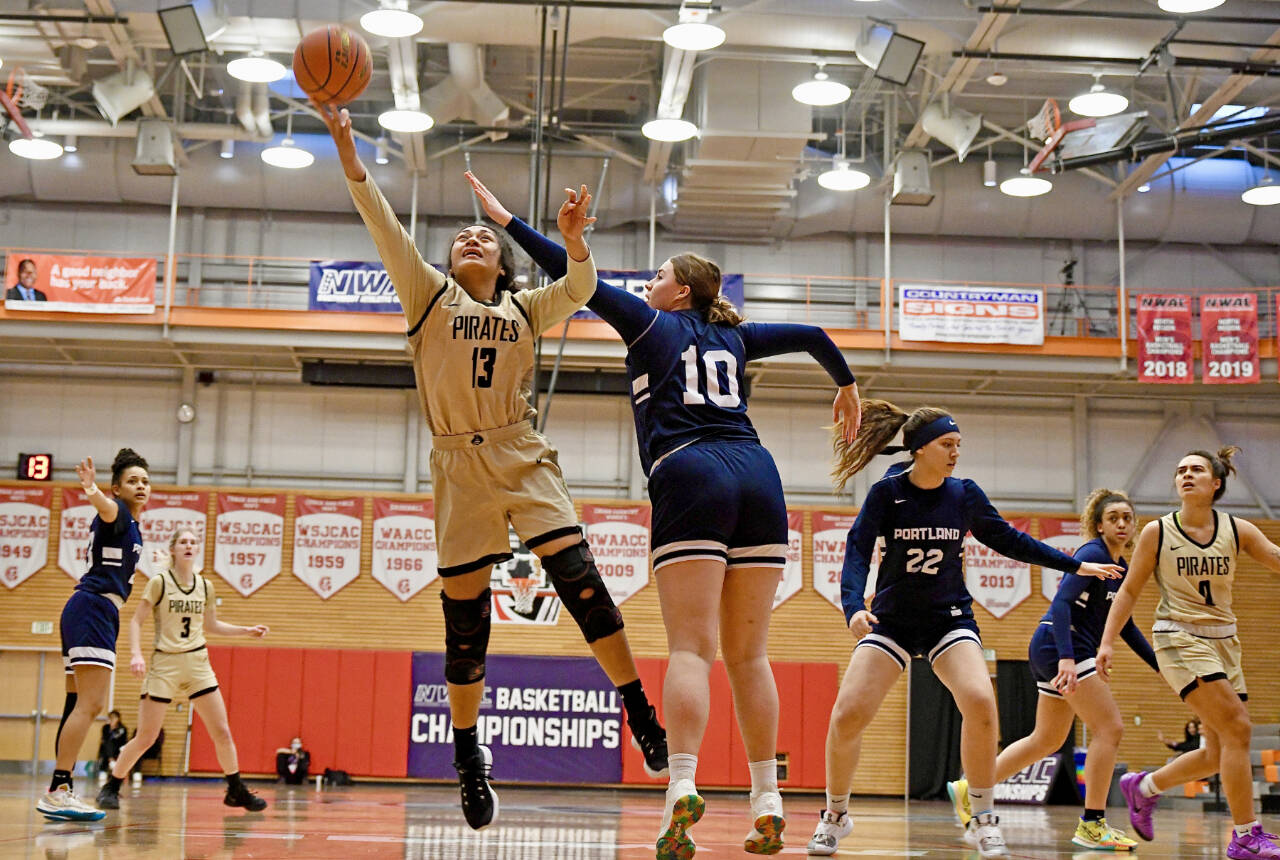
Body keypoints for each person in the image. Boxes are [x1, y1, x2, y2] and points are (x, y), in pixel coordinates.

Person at [464, 172, 862, 859]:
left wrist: (512, 223)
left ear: (680, 291)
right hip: (760, 478)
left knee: (690, 649)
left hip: (691, 472)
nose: (649, 283)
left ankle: (681, 785)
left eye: (658, 275)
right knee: (750, 655)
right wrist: (848, 387)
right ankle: (768, 797)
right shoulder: (737, 337)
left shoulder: (652, 321)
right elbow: (816, 333)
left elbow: (573, 276)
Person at [314, 102, 666, 832]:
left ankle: (637, 706)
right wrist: (348, 146)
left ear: (502, 262)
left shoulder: (524, 309)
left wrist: (571, 242)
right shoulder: (427, 295)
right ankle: (470, 754)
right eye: (462, 235)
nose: (473, 237)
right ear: (447, 262)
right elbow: (377, 213)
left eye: (484, 235)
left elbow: (578, 289)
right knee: (466, 626)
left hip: (521, 453)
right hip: (458, 470)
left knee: (584, 585)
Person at [804, 402, 1122, 858]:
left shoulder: (964, 494)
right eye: (947, 444)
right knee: (847, 713)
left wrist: (1075, 563)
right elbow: (856, 552)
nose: (956, 452)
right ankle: (835, 815)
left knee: (979, 701)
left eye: (958, 445)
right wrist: (853, 607)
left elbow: (1011, 539)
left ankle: (984, 818)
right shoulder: (887, 494)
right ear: (919, 449)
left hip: (948, 618)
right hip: (891, 620)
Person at [947, 488, 1159, 851]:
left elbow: (1124, 624)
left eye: (1127, 517)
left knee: (1047, 739)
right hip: (1063, 644)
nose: (1122, 524)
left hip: (1053, 647)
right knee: (1110, 728)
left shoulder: (1121, 567)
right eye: (1113, 518)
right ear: (1098, 525)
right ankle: (1092, 824)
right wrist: (1066, 659)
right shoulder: (1092, 554)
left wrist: (1160, 666)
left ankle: (973, 787)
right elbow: (1060, 605)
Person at [1099, 447, 1280, 858]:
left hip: (1225, 641)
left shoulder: (1238, 529)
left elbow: (1275, 559)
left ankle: (1142, 788)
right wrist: (1108, 641)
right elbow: (1129, 589)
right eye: (1180, 470)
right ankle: (1246, 836)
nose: (1186, 475)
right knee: (1239, 728)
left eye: (1196, 469)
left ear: (1215, 483)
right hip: (1177, 637)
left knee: (1217, 752)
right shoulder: (1158, 532)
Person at [96, 526, 270, 812]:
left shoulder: (205, 586)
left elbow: (212, 625)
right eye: (183, 542)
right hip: (165, 663)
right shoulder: (159, 582)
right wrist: (136, 655)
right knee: (146, 737)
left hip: (197, 662)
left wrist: (246, 630)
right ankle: (112, 786)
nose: (189, 545)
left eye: (193, 542)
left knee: (222, 731)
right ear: (174, 549)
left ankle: (235, 789)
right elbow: (135, 621)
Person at [36, 449, 149, 821]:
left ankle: (61, 788)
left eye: (145, 480)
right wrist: (91, 489)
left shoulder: (131, 527)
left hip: (86, 608)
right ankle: (58, 789)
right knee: (91, 705)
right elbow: (105, 507)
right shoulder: (116, 513)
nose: (141, 486)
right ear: (117, 487)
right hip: (94, 609)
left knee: (75, 703)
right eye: (133, 480)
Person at [96, 710, 128, 778]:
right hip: (108, 749)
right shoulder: (105, 727)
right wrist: (111, 728)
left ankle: (111, 762)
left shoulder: (122, 729)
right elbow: (105, 739)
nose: (112, 719)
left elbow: (123, 741)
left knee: (110, 744)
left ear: (118, 719)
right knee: (107, 744)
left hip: (118, 748)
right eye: (110, 718)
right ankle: (109, 762)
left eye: (114, 718)